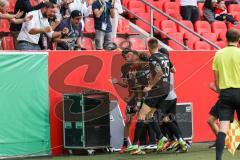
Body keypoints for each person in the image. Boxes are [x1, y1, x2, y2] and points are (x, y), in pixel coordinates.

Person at [126, 38, 170, 154]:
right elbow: (173, 69)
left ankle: (135, 145)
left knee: (142, 115)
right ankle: (161, 138)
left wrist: (150, 86)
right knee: (150, 115)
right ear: (158, 45)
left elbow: (159, 73)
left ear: (149, 47)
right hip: (166, 89)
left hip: (157, 90)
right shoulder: (164, 57)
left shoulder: (153, 58)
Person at [212, 28, 240, 160]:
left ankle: (218, 159)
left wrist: (218, 88)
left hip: (225, 94)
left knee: (222, 129)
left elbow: (216, 79)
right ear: (238, 40)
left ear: (226, 38)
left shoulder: (219, 54)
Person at [111, 50, 144, 153]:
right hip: (132, 98)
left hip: (142, 95)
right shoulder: (124, 67)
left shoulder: (140, 65)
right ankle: (125, 145)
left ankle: (143, 144)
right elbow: (126, 84)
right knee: (128, 121)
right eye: (124, 56)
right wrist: (117, 82)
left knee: (143, 120)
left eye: (127, 55)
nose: (126, 57)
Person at [207, 82, 220, 149]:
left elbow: (211, 85)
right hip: (223, 99)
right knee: (210, 121)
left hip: (226, 100)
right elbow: (211, 85)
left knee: (225, 121)